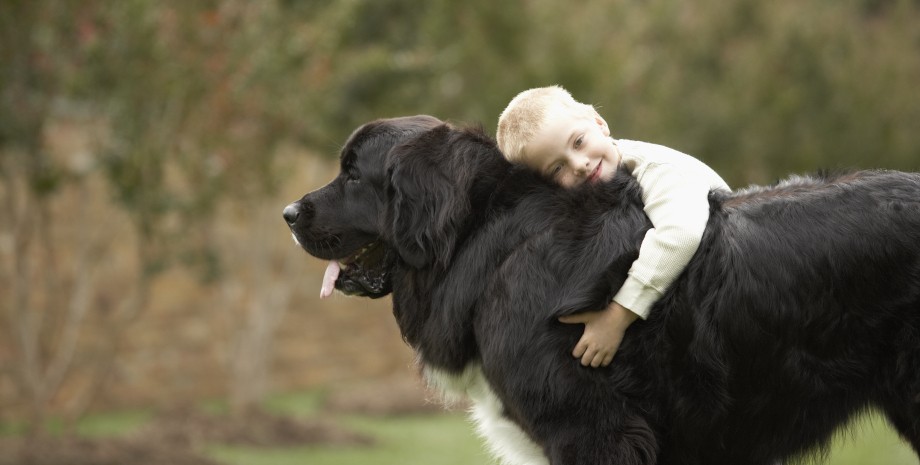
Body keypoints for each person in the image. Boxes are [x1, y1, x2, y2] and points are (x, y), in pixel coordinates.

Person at [496, 85, 730, 368]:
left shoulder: (655, 169)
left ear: (599, 123)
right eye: (557, 169)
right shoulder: (601, 189)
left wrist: (618, 315)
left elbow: (680, 235)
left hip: (731, 280)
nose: (579, 164)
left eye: (578, 142)